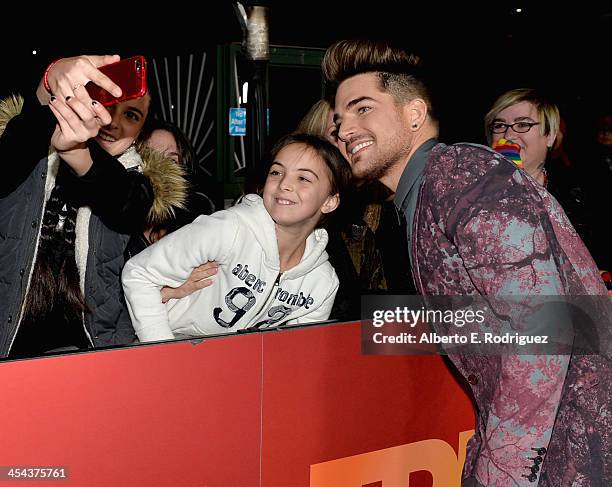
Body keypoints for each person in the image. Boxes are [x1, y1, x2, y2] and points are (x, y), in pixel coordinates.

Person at [323, 40, 609, 486]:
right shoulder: (420, 201)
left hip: (580, 443)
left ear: (414, 114)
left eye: (362, 109)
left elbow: (544, 330)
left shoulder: (459, 171)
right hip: (556, 441)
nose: (344, 129)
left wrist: (502, 470)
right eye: (339, 120)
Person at [0, 54, 187, 359]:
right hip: (9, 345)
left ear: (141, 133)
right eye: (105, 103)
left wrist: (78, 154)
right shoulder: (30, 153)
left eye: (132, 116)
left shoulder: (139, 184)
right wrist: (49, 84)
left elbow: (121, 200)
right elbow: (16, 149)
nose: (112, 121)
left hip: (93, 350)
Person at [122, 133, 351, 343]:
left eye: (303, 178)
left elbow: (300, 352)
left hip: (236, 370)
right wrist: (163, 351)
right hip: (174, 349)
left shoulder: (322, 282)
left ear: (330, 201)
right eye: (276, 172)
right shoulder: (228, 229)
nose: (284, 184)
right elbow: (139, 273)